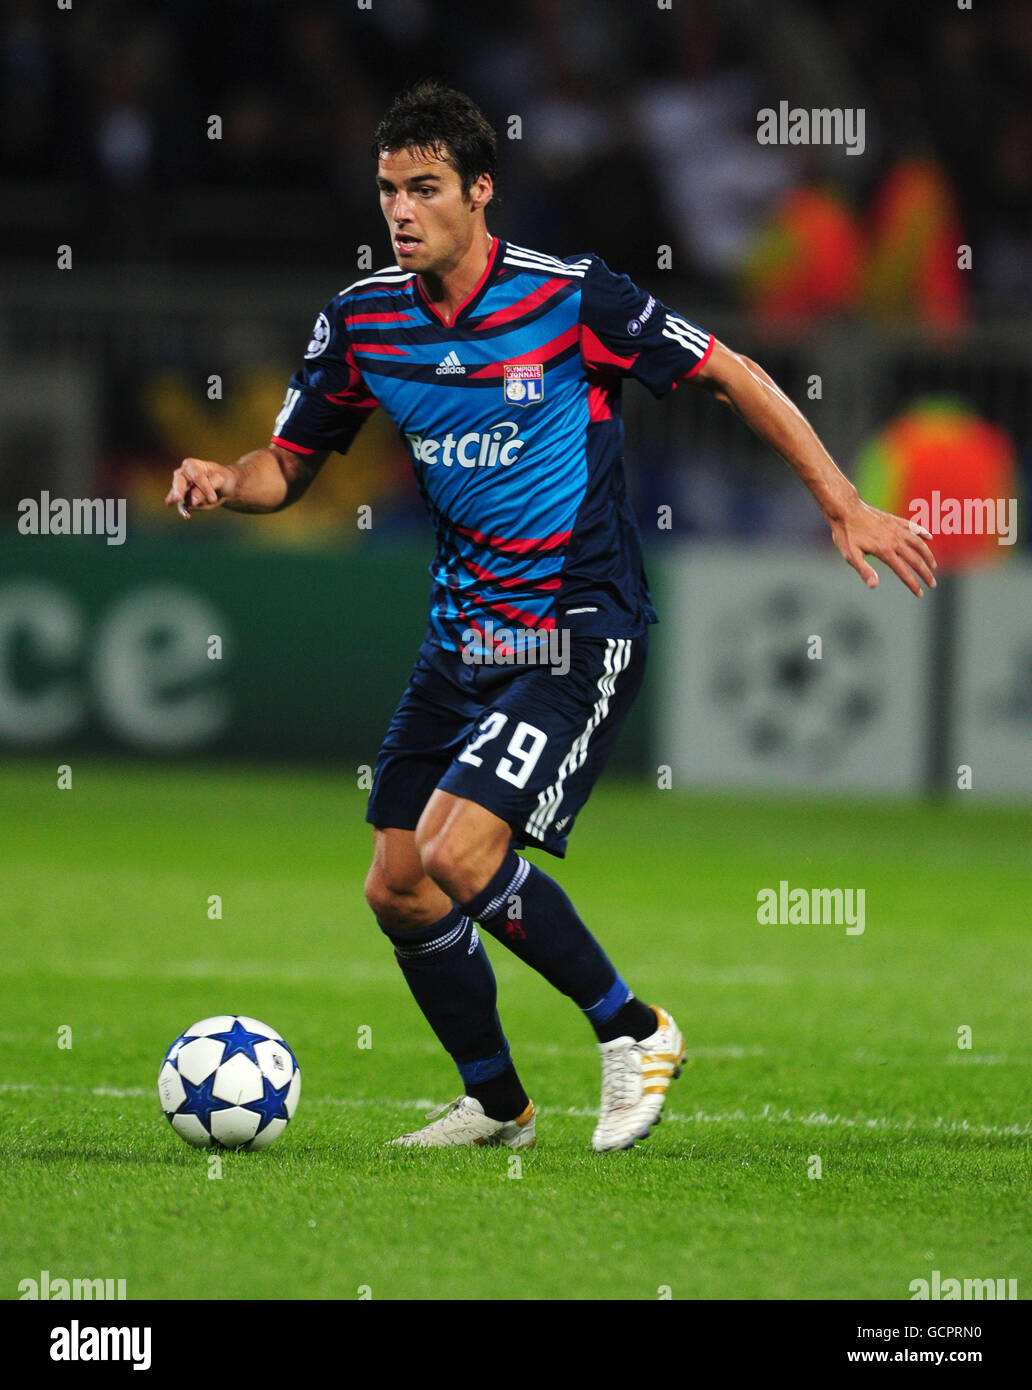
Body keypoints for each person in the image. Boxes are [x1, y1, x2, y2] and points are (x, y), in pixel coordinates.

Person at [166, 81, 936, 1152]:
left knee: (459, 848)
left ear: (481, 191)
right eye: (388, 188)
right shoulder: (362, 320)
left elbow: (731, 372)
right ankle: (496, 1102)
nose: (400, 210)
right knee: (399, 883)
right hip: (461, 636)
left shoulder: (574, 298)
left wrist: (841, 501)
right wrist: (223, 480)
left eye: (425, 188)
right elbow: (286, 466)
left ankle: (635, 1028)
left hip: (575, 623)